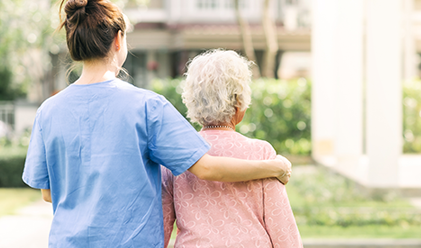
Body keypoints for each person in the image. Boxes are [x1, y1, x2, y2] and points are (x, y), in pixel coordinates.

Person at [21, 1, 292, 247]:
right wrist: (273, 166)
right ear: (118, 40)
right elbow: (207, 167)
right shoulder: (147, 107)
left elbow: (48, 193)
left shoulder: (48, 111)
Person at [161, 50, 302, 248]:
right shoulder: (261, 153)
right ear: (239, 102)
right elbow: (283, 230)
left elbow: (161, 228)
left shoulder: (178, 155)